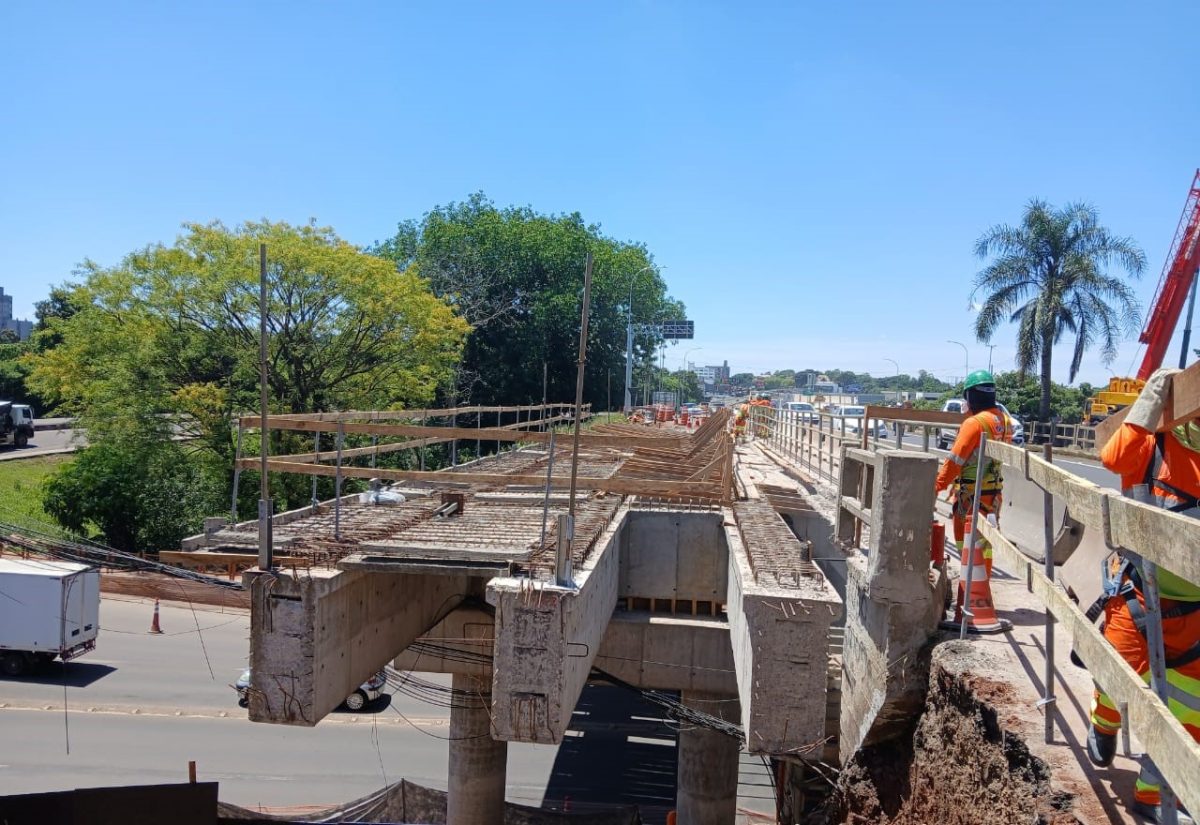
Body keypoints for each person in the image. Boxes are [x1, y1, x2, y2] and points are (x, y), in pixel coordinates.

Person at [1089, 367, 1200, 825]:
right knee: (1116, 681)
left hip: (1195, 616)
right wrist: (1157, 391)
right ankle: (1104, 725)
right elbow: (1114, 458)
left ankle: (1156, 795)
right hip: (1140, 599)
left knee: (1189, 709)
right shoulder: (1153, 446)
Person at [934, 370, 1015, 576]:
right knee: (984, 546)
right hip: (993, 496)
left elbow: (955, 461)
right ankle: (982, 588)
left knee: (968, 545)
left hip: (971, 498)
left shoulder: (974, 423)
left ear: (970, 396)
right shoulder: (1005, 421)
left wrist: (936, 486)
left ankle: (971, 591)